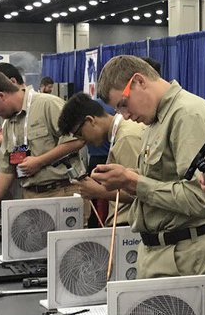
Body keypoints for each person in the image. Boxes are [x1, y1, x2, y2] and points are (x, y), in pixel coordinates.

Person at [93, 55, 205, 277]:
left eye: (123, 104)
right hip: (160, 251)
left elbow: (202, 198)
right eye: (118, 111)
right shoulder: (155, 120)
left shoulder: (188, 115)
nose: (126, 116)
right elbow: (165, 179)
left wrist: (133, 181)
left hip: (183, 257)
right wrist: (127, 177)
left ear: (139, 81)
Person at [0, 68, 85, 229]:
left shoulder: (47, 105)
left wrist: (39, 161)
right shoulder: (9, 124)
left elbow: (78, 140)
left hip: (63, 192)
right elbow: (6, 171)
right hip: (30, 197)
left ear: (0, 96)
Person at [58, 92, 145, 224]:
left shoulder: (126, 138)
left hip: (130, 224)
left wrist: (98, 191)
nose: (83, 141)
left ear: (90, 120)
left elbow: (141, 190)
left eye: (80, 134)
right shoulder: (120, 134)